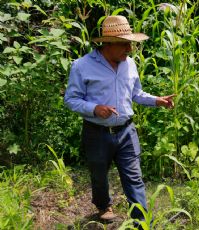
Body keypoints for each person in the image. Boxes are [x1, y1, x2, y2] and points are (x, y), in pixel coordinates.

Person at [64, 15, 175, 222]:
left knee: (135, 179)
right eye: (125, 45)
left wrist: (156, 100)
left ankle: (141, 221)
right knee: (99, 176)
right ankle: (103, 205)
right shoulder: (82, 66)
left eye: (131, 44)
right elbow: (71, 99)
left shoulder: (130, 64)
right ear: (108, 44)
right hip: (96, 133)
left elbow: (136, 94)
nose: (130, 50)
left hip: (126, 131)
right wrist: (95, 108)